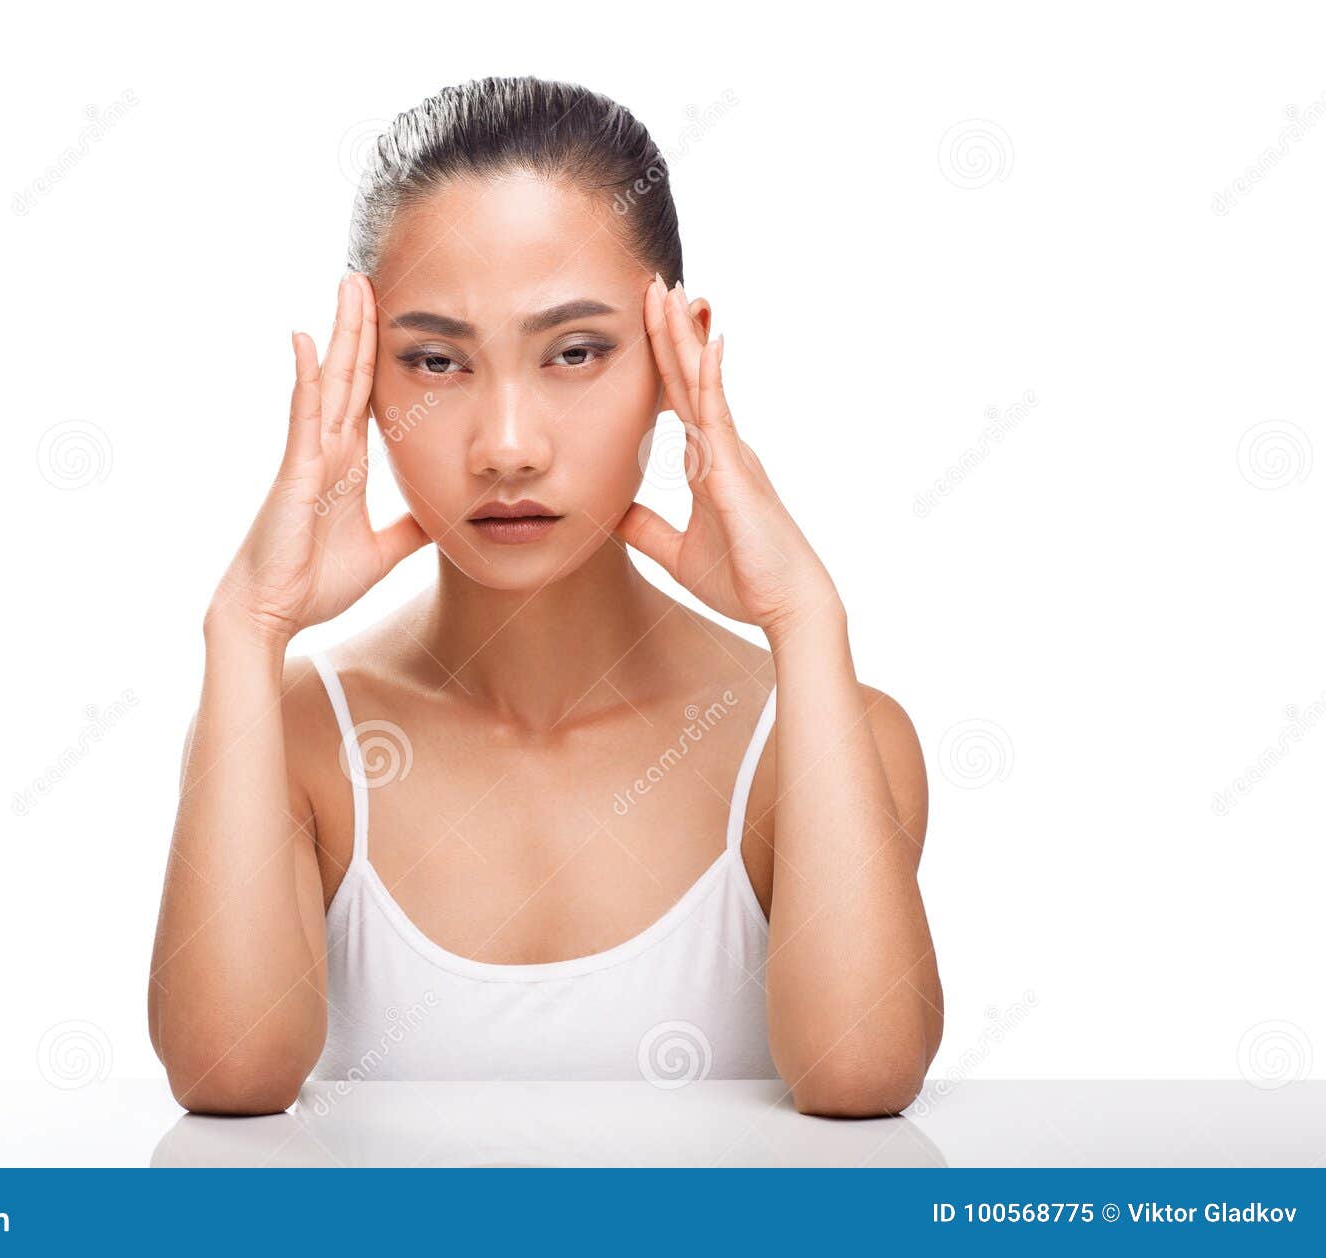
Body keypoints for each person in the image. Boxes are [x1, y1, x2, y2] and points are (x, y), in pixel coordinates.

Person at [148, 75, 942, 1117]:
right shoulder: (287, 736)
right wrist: (244, 629)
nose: (507, 448)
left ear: (674, 357)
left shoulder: (830, 734)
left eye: (575, 352)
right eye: (436, 360)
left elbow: (861, 1075)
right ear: (364, 381)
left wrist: (806, 620)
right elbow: (227, 1078)